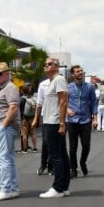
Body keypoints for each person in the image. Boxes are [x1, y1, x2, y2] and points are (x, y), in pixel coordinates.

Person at [36, 58, 70, 198]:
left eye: (49, 64)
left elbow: (63, 102)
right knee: (61, 155)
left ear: (57, 67)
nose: (46, 66)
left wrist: (62, 123)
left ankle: (57, 188)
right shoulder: (51, 82)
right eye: (45, 64)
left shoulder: (59, 80)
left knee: (55, 155)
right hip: (51, 121)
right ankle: (64, 187)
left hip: (54, 122)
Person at [0, 62, 21, 201]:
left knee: (3, 158)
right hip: (4, 127)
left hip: (6, 127)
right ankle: (12, 188)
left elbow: (13, 108)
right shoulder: (4, 88)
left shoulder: (9, 88)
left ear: (7, 74)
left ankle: (6, 188)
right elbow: (3, 110)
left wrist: (2, 126)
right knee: (9, 158)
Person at [66, 65, 97, 177]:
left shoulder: (89, 87)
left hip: (86, 120)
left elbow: (93, 102)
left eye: (81, 71)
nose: (80, 72)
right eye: (77, 71)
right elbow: (63, 102)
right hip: (72, 120)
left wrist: (95, 118)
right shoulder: (68, 87)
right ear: (73, 74)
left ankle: (82, 162)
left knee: (86, 146)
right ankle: (73, 168)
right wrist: (68, 110)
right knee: (72, 147)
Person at [32, 78, 53, 176]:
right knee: (45, 143)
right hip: (46, 117)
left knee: (55, 144)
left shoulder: (61, 82)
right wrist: (36, 118)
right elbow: (39, 103)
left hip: (57, 118)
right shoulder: (43, 85)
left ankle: (51, 166)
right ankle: (43, 165)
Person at [19, 85, 37, 153]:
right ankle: (34, 148)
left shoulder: (22, 99)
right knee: (33, 133)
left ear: (22, 91)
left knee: (24, 134)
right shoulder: (31, 98)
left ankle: (25, 149)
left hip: (24, 119)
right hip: (32, 118)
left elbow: (20, 110)